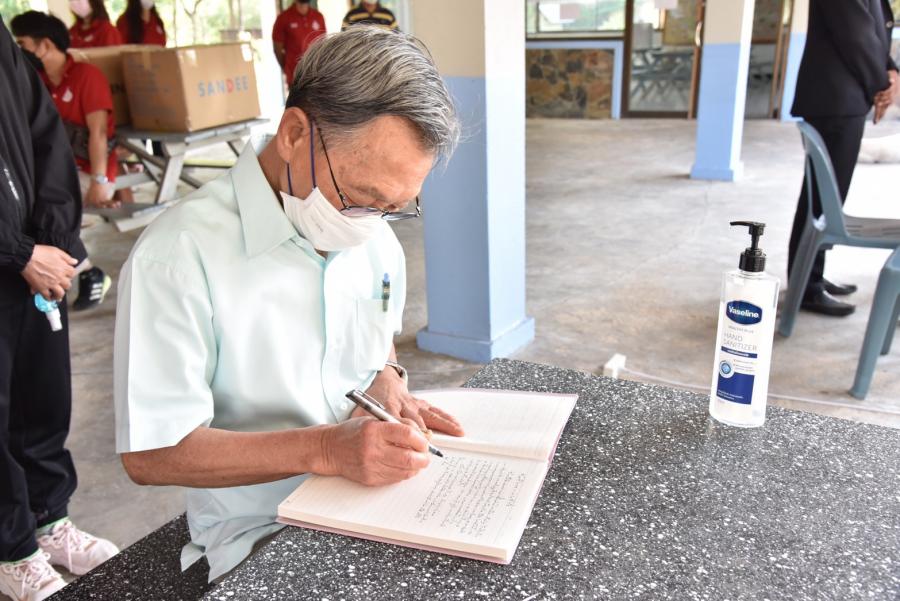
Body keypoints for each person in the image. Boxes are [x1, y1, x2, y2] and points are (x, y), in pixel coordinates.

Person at [114, 26, 461, 582]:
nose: (370, 221)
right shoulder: (178, 256)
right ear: (295, 133)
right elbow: (152, 453)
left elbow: (376, 340)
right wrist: (327, 450)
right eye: (361, 197)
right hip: (262, 529)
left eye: (394, 207)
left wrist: (386, 377)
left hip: (375, 500)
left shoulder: (374, 236)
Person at [0, 17, 118, 601]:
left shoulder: (3, 47)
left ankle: (49, 519)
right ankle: (12, 550)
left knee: (44, 400)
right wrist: (17, 251)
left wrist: (54, 244)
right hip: (14, 256)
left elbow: (44, 136)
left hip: (35, 261)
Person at [789, 0, 899, 316]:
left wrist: (891, 69)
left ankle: (811, 276)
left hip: (840, 100)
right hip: (834, 100)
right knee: (821, 202)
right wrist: (882, 85)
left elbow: (872, 29)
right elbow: (856, 35)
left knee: (826, 199)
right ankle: (806, 286)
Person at [12, 11, 115, 311]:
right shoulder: (38, 80)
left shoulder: (86, 76)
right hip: (55, 172)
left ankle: (84, 271)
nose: (17, 51)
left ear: (44, 45)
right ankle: (81, 270)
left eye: (22, 43)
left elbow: (98, 134)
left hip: (90, 170)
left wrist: (99, 180)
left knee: (49, 207)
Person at [272, 0, 325, 85]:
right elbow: (277, 49)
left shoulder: (319, 17)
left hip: (316, 76)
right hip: (295, 78)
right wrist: (287, 69)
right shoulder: (283, 18)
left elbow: (323, 45)